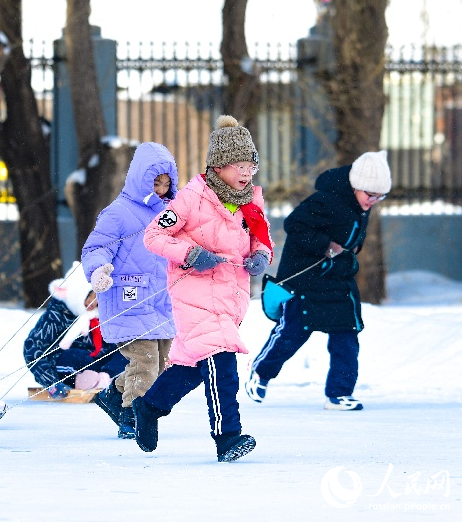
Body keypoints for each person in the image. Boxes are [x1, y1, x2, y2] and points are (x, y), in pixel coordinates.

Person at [132, 115, 273, 462]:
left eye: (250, 165)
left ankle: (149, 407)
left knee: (193, 366)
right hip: (193, 292)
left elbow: (261, 237)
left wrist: (260, 256)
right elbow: (153, 236)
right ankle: (228, 437)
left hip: (230, 294)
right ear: (218, 165)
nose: (245, 173)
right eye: (238, 165)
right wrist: (191, 253)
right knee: (221, 360)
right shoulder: (191, 200)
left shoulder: (250, 201)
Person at [245, 151, 391, 412]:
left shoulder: (361, 204)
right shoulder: (326, 201)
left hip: (339, 280)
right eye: (371, 194)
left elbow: (353, 234)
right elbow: (294, 226)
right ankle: (261, 372)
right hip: (307, 281)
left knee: (346, 337)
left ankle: (339, 394)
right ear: (356, 186)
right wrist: (326, 245)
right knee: (291, 334)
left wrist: (353, 248)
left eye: (380, 196)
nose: (374, 201)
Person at [81, 142, 179, 440]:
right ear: (140, 179)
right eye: (155, 183)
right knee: (145, 361)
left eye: (166, 183)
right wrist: (98, 270)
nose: (161, 189)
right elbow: (96, 247)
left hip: (161, 301)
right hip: (129, 298)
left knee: (159, 366)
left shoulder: (170, 213)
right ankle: (131, 415)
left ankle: (113, 395)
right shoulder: (118, 213)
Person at [22, 262, 128, 399]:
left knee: (129, 350)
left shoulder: (100, 314)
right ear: (76, 294)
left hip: (100, 364)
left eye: (97, 297)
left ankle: (105, 379)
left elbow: (115, 345)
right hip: (68, 364)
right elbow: (33, 347)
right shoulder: (56, 315)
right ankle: (92, 380)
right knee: (75, 357)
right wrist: (51, 382)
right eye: (88, 296)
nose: (92, 303)